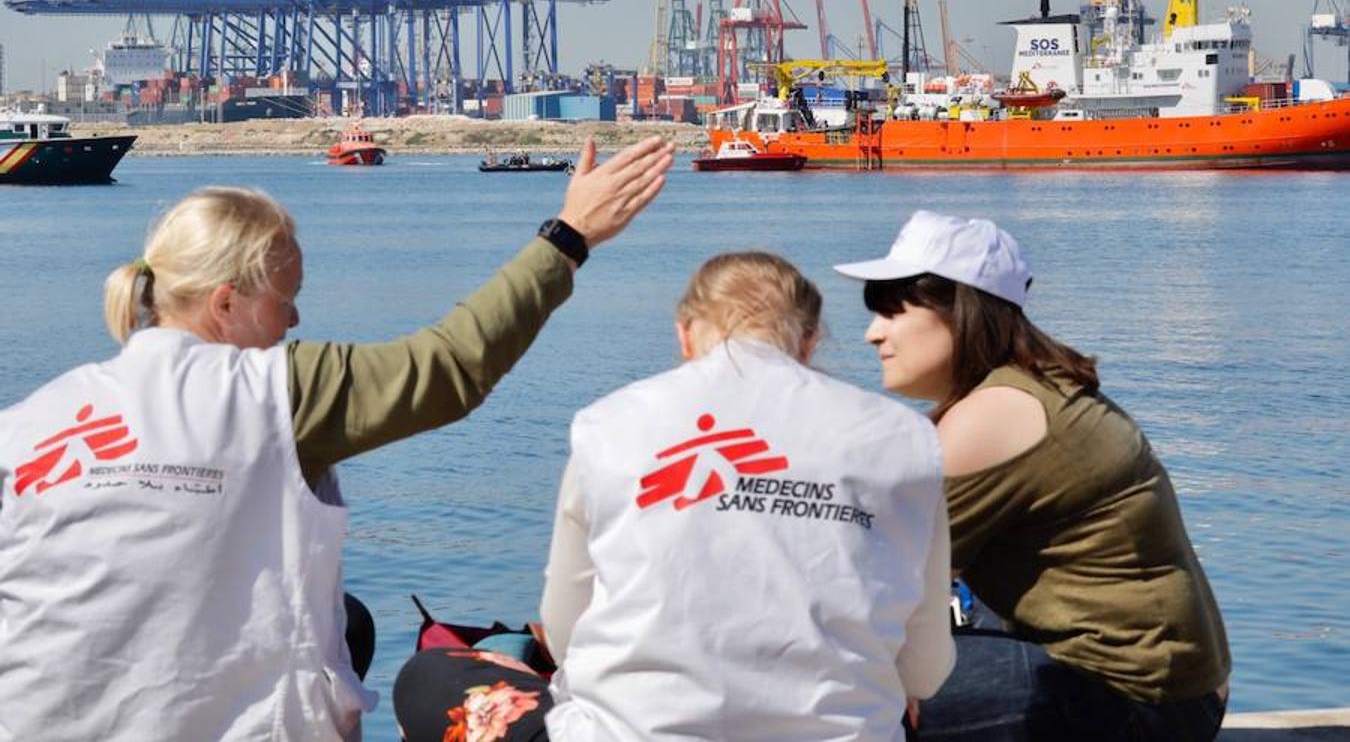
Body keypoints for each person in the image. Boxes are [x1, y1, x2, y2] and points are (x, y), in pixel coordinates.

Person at [0, 136, 674, 741]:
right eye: (284, 296)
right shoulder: (274, 391)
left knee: (347, 620)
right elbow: (449, 369)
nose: (295, 317)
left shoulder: (32, 419)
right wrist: (569, 236)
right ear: (225, 304)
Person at [394, 251, 954, 741]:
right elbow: (925, 671)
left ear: (684, 335)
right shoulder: (903, 437)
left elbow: (565, 630)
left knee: (429, 678)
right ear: (809, 342)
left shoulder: (610, 423)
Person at [834, 210, 1231, 742]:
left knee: (834, 688)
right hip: (1172, 690)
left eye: (889, 312)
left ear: (960, 311)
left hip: (1134, 703)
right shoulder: (1029, 387)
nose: (871, 334)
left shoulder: (993, 415)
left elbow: (869, 577)